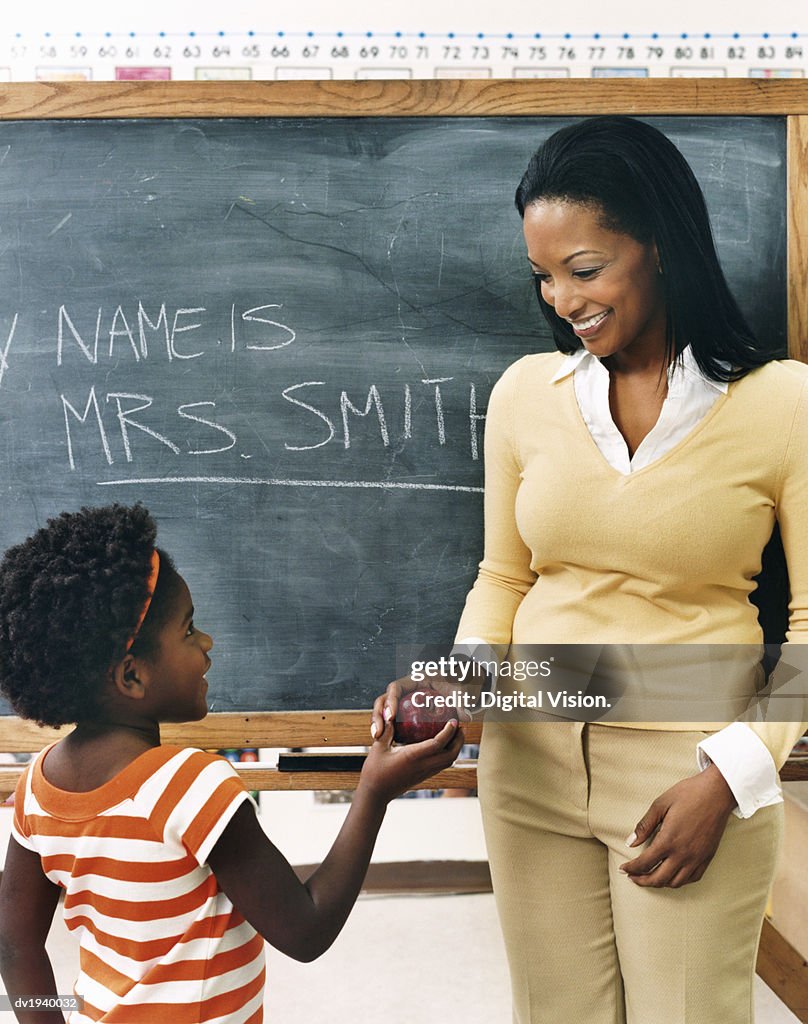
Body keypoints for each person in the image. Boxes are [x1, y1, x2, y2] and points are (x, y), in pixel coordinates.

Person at [372, 116, 808, 1024]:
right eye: (544, 277)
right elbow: (503, 579)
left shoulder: (783, 405)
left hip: (688, 771)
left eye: (585, 269)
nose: (564, 301)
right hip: (529, 763)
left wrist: (726, 780)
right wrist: (455, 682)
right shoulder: (527, 394)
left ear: (659, 244)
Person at [0, 504, 463, 1024]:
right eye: (188, 630)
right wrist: (374, 794)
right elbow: (305, 930)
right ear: (132, 677)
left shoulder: (37, 786)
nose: (208, 642)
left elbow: (16, 948)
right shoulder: (191, 786)